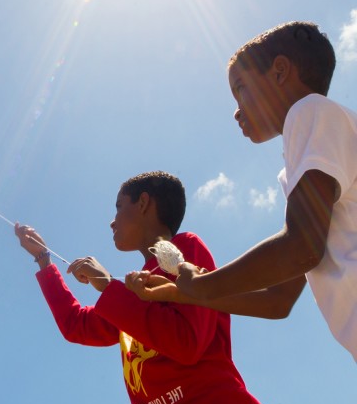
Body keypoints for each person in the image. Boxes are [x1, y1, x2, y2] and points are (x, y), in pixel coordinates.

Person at [128, 21, 357, 361]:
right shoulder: (315, 150)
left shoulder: (309, 112)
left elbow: (300, 248)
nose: (236, 110)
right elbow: (278, 300)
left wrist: (204, 286)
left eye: (241, 88)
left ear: (280, 71)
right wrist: (182, 293)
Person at [15, 171, 273, 404]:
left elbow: (187, 342)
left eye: (118, 207)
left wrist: (108, 287)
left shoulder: (186, 251)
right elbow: (76, 325)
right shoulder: (132, 291)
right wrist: (43, 259)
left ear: (143, 203)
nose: (112, 221)